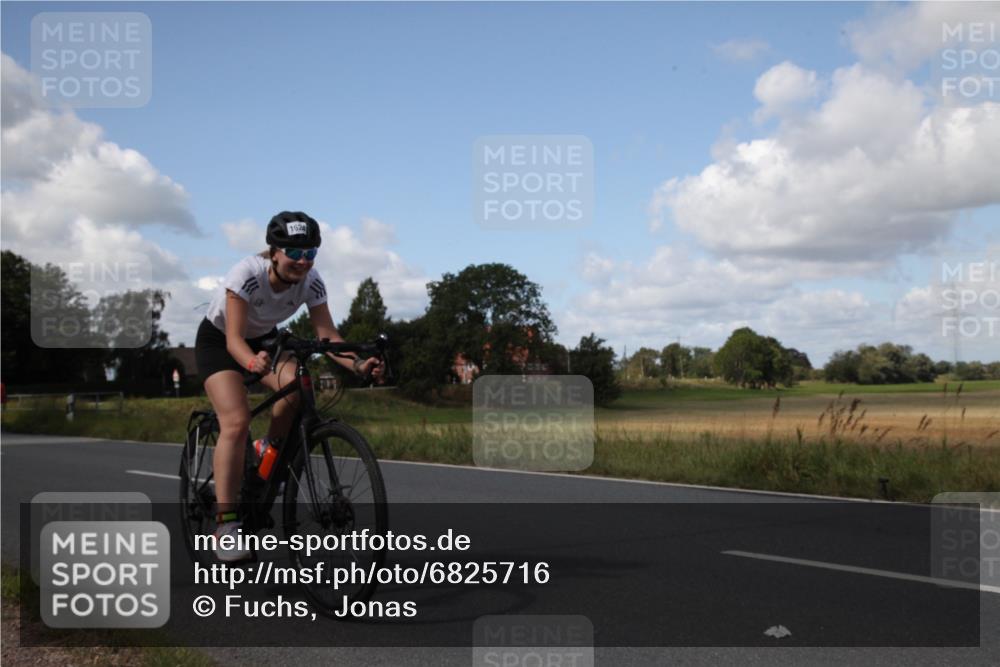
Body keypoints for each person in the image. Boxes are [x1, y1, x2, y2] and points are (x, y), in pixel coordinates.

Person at [195, 211, 384, 561]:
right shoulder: (247, 276)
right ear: (275, 251)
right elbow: (235, 339)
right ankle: (226, 525)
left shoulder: (311, 282)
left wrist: (357, 363)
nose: (302, 261)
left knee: (298, 385)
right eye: (294, 253)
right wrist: (251, 362)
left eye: (310, 253)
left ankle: (270, 448)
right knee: (235, 422)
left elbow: (327, 336)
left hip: (264, 340)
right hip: (221, 343)